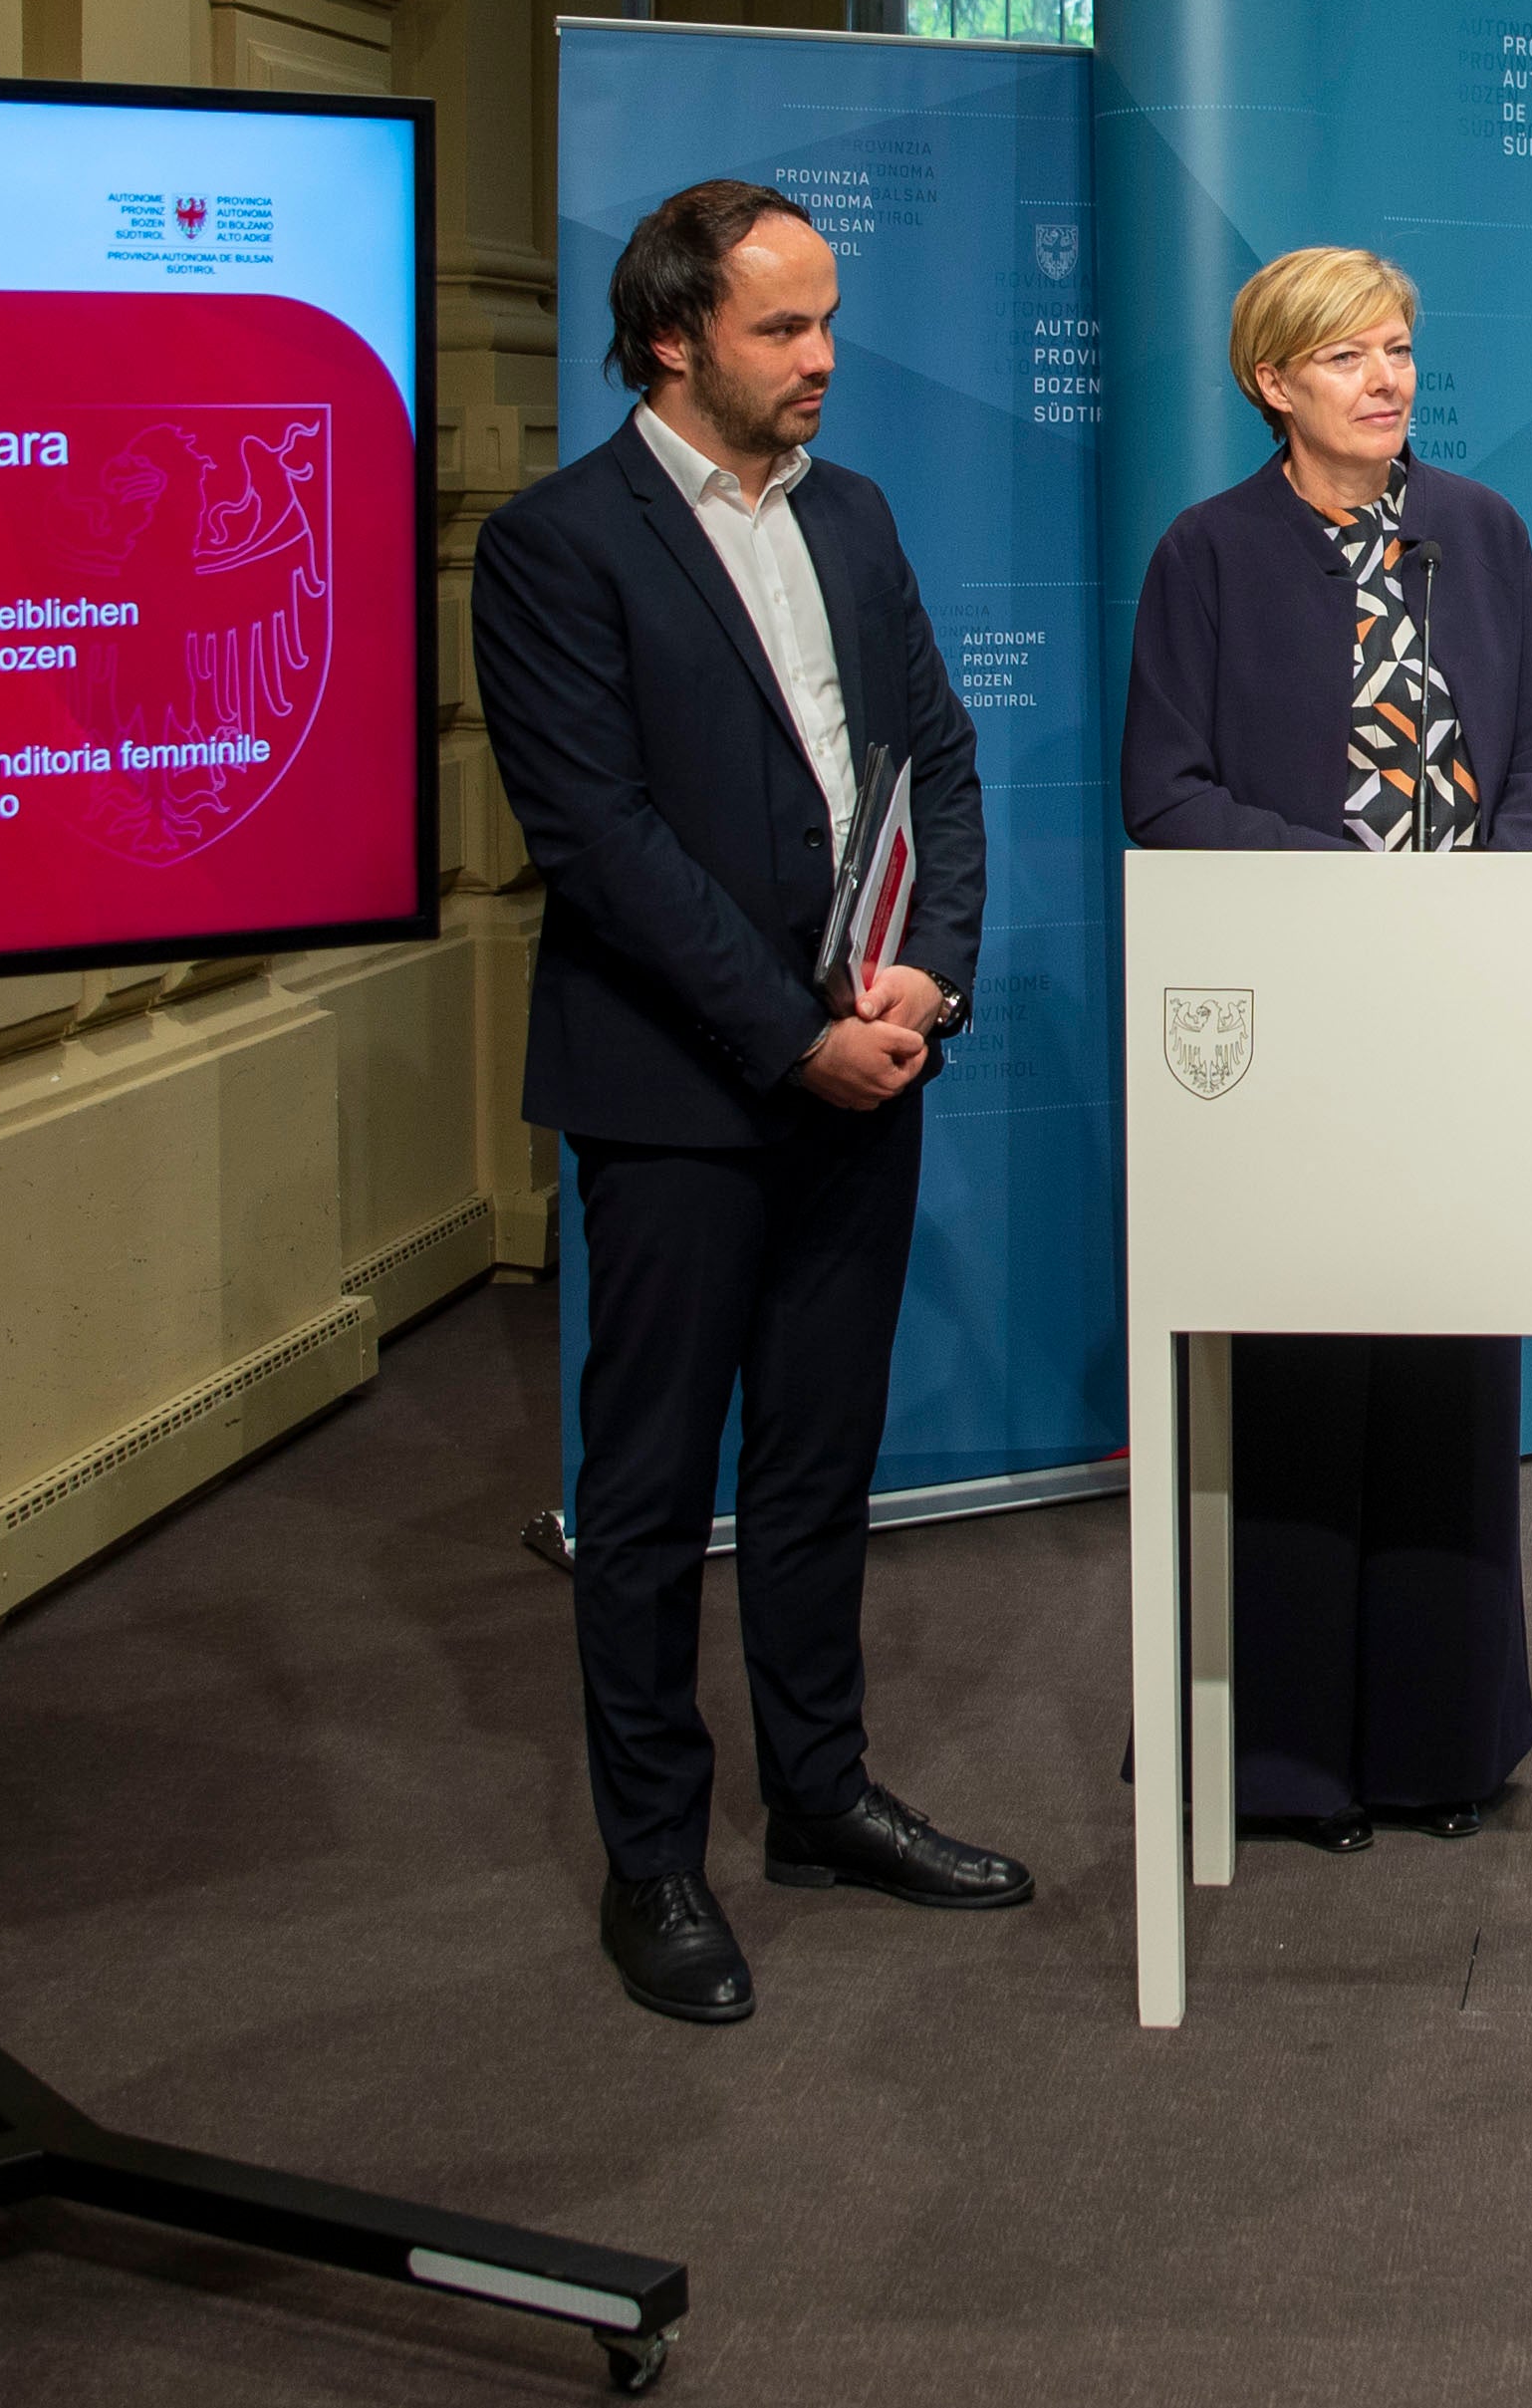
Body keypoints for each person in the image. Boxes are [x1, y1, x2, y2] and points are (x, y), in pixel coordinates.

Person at [471, 176, 1026, 2025]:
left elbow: (937, 763)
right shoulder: (555, 544)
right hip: (678, 1096)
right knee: (645, 1495)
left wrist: (927, 971)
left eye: (827, 318)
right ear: (669, 340)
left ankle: (819, 1796)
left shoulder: (851, 516)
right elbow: (601, 843)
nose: (823, 356)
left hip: (871, 1067)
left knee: (814, 1465)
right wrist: (794, 1036)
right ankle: (652, 1859)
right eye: (782, 325)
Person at [1119, 245, 1532, 1847]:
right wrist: (1354, 891)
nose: (1385, 380)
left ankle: (1440, 1744)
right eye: (1346, 356)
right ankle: (1285, 1758)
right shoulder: (1207, 553)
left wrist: (1494, 889)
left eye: (1397, 349)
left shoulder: (1477, 528)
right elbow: (1165, 792)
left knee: (1447, 1366)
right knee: (1302, 1373)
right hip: (1296, 1010)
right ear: (1274, 381)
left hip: (1460, 1006)